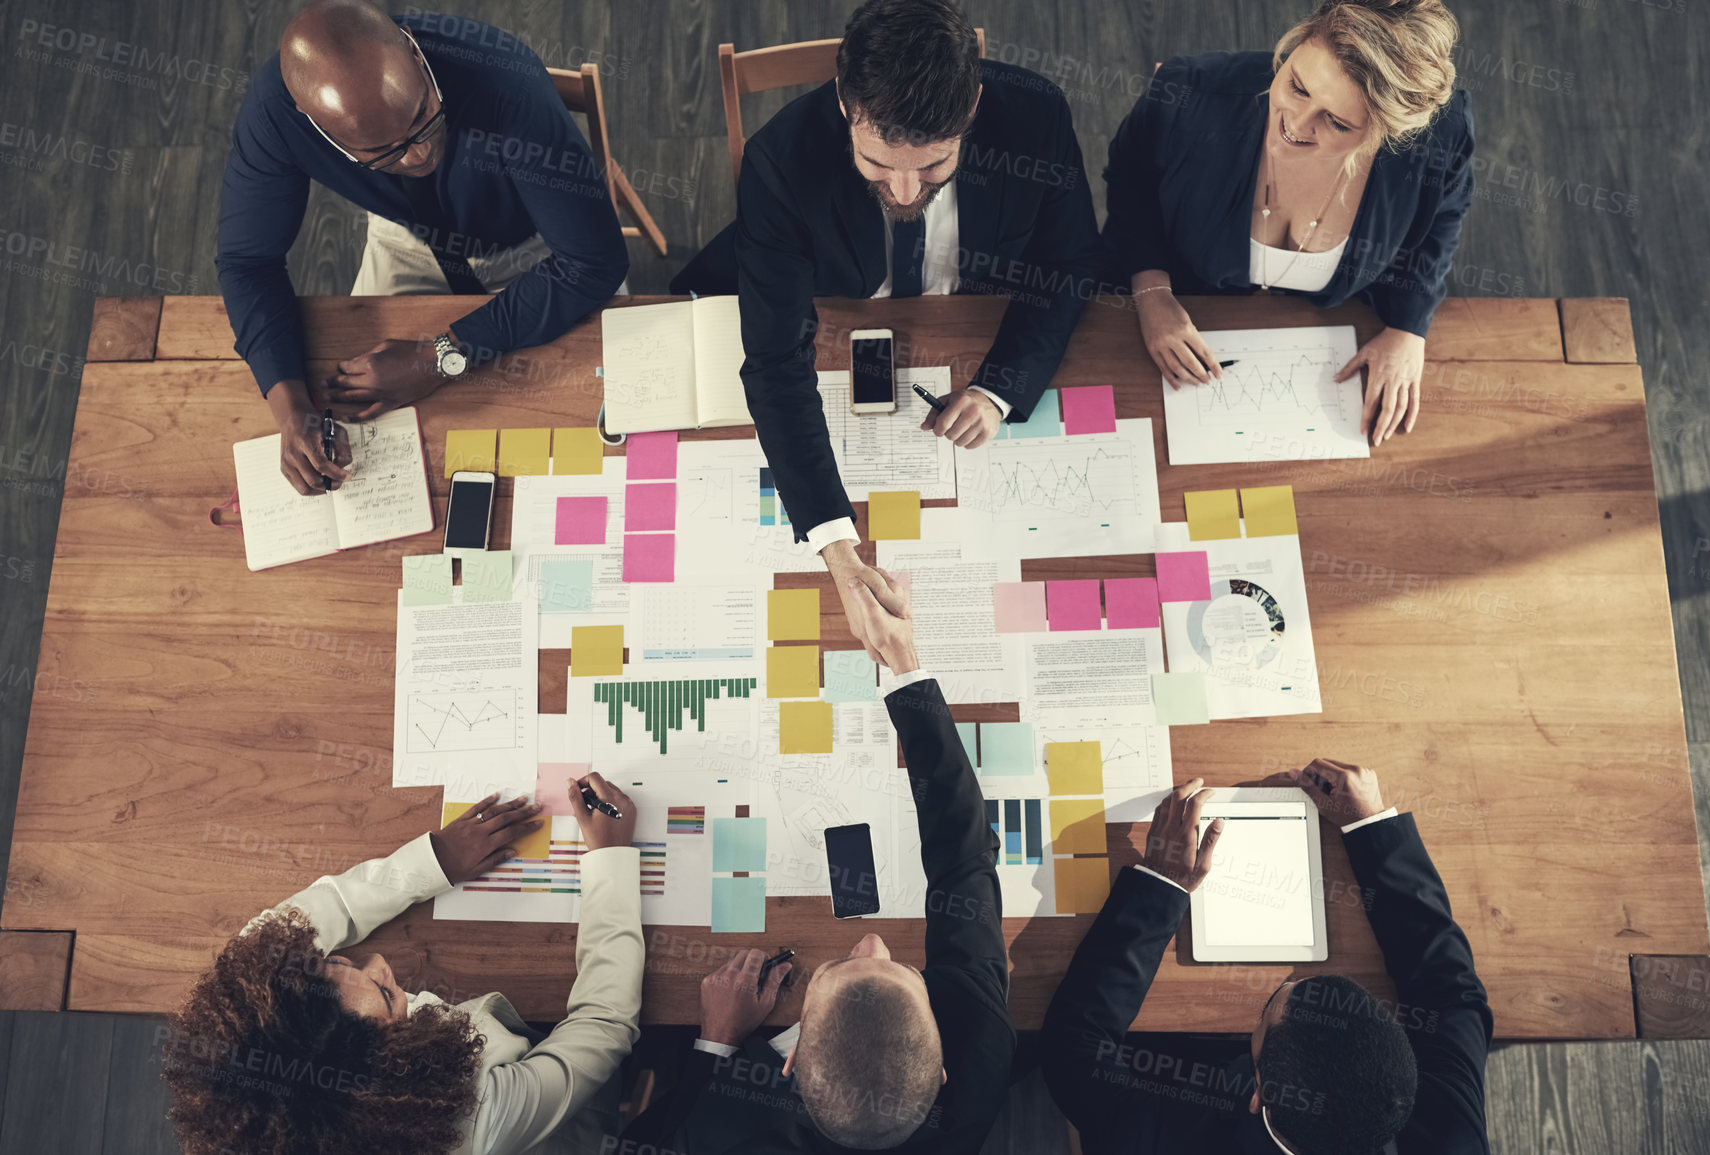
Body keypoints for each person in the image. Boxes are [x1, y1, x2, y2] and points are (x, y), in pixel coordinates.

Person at [674, 0, 1101, 658]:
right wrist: (840, 556)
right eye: (878, 166)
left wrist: (998, 388)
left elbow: (1068, 261)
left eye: (932, 168)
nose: (904, 193)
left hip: (966, 313)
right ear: (847, 106)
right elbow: (775, 364)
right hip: (833, 305)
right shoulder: (779, 161)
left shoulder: (1035, 116)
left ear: (971, 110)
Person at [618, 571, 1015, 1152]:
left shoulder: (722, 1130)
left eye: (836, 967)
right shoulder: (982, 1044)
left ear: (792, 1063)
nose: (874, 941)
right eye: (904, 973)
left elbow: (654, 1133)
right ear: (945, 1071)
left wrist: (715, 1042)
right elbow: (965, 855)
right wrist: (901, 659)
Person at [216, 0, 630, 494]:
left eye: (422, 117)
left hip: (535, 246)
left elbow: (593, 263)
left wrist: (439, 357)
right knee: (357, 403)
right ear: (317, 124)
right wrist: (290, 410)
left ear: (413, 53)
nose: (419, 153)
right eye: (382, 150)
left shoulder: (508, 82)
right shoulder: (274, 116)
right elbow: (247, 261)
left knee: (604, 414)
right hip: (406, 238)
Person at [161, 775, 644, 1154]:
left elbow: (310, 917)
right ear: (393, 1071)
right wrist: (611, 858)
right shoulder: (481, 1121)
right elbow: (603, 1022)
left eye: (337, 962)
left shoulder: (257, 1001)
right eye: (388, 996)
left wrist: (436, 860)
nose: (378, 962)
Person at [1040, 760, 1492, 1154]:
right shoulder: (1450, 1135)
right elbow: (1450, 991)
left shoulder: (1152, 1141)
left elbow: (1074, 1046)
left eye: (1268, 1010)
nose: (1288, 982)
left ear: (1260, 1097)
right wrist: (1370, 825)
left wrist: (1160, 884)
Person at [1102, 0, 1471, 447]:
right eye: (1297, 87)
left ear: (1388, 134)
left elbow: (1442, 217)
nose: (1294, 125)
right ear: (1296, 45)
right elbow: (1129, 184)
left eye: (1335, 122)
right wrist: (1152, 292)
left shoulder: (1439, 135)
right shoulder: (1188, 94)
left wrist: (1408, 328)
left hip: (1334, 332)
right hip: (1178, 303)